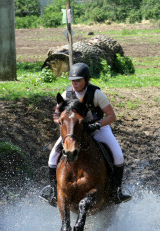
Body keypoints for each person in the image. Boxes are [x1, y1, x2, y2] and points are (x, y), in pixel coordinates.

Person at [40, 62, 131, 206]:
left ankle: (116, 192)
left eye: (78, 81)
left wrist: (96, 124)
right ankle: (52, 192)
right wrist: (63, 123)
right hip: (74, 131)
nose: (75, 84)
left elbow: (111, 116)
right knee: (52, 157)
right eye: (73, 81)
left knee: (118, 156)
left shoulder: (95, 93)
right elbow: (57, 115)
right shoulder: (67, 94)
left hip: (98, 128)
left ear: (86, 80)